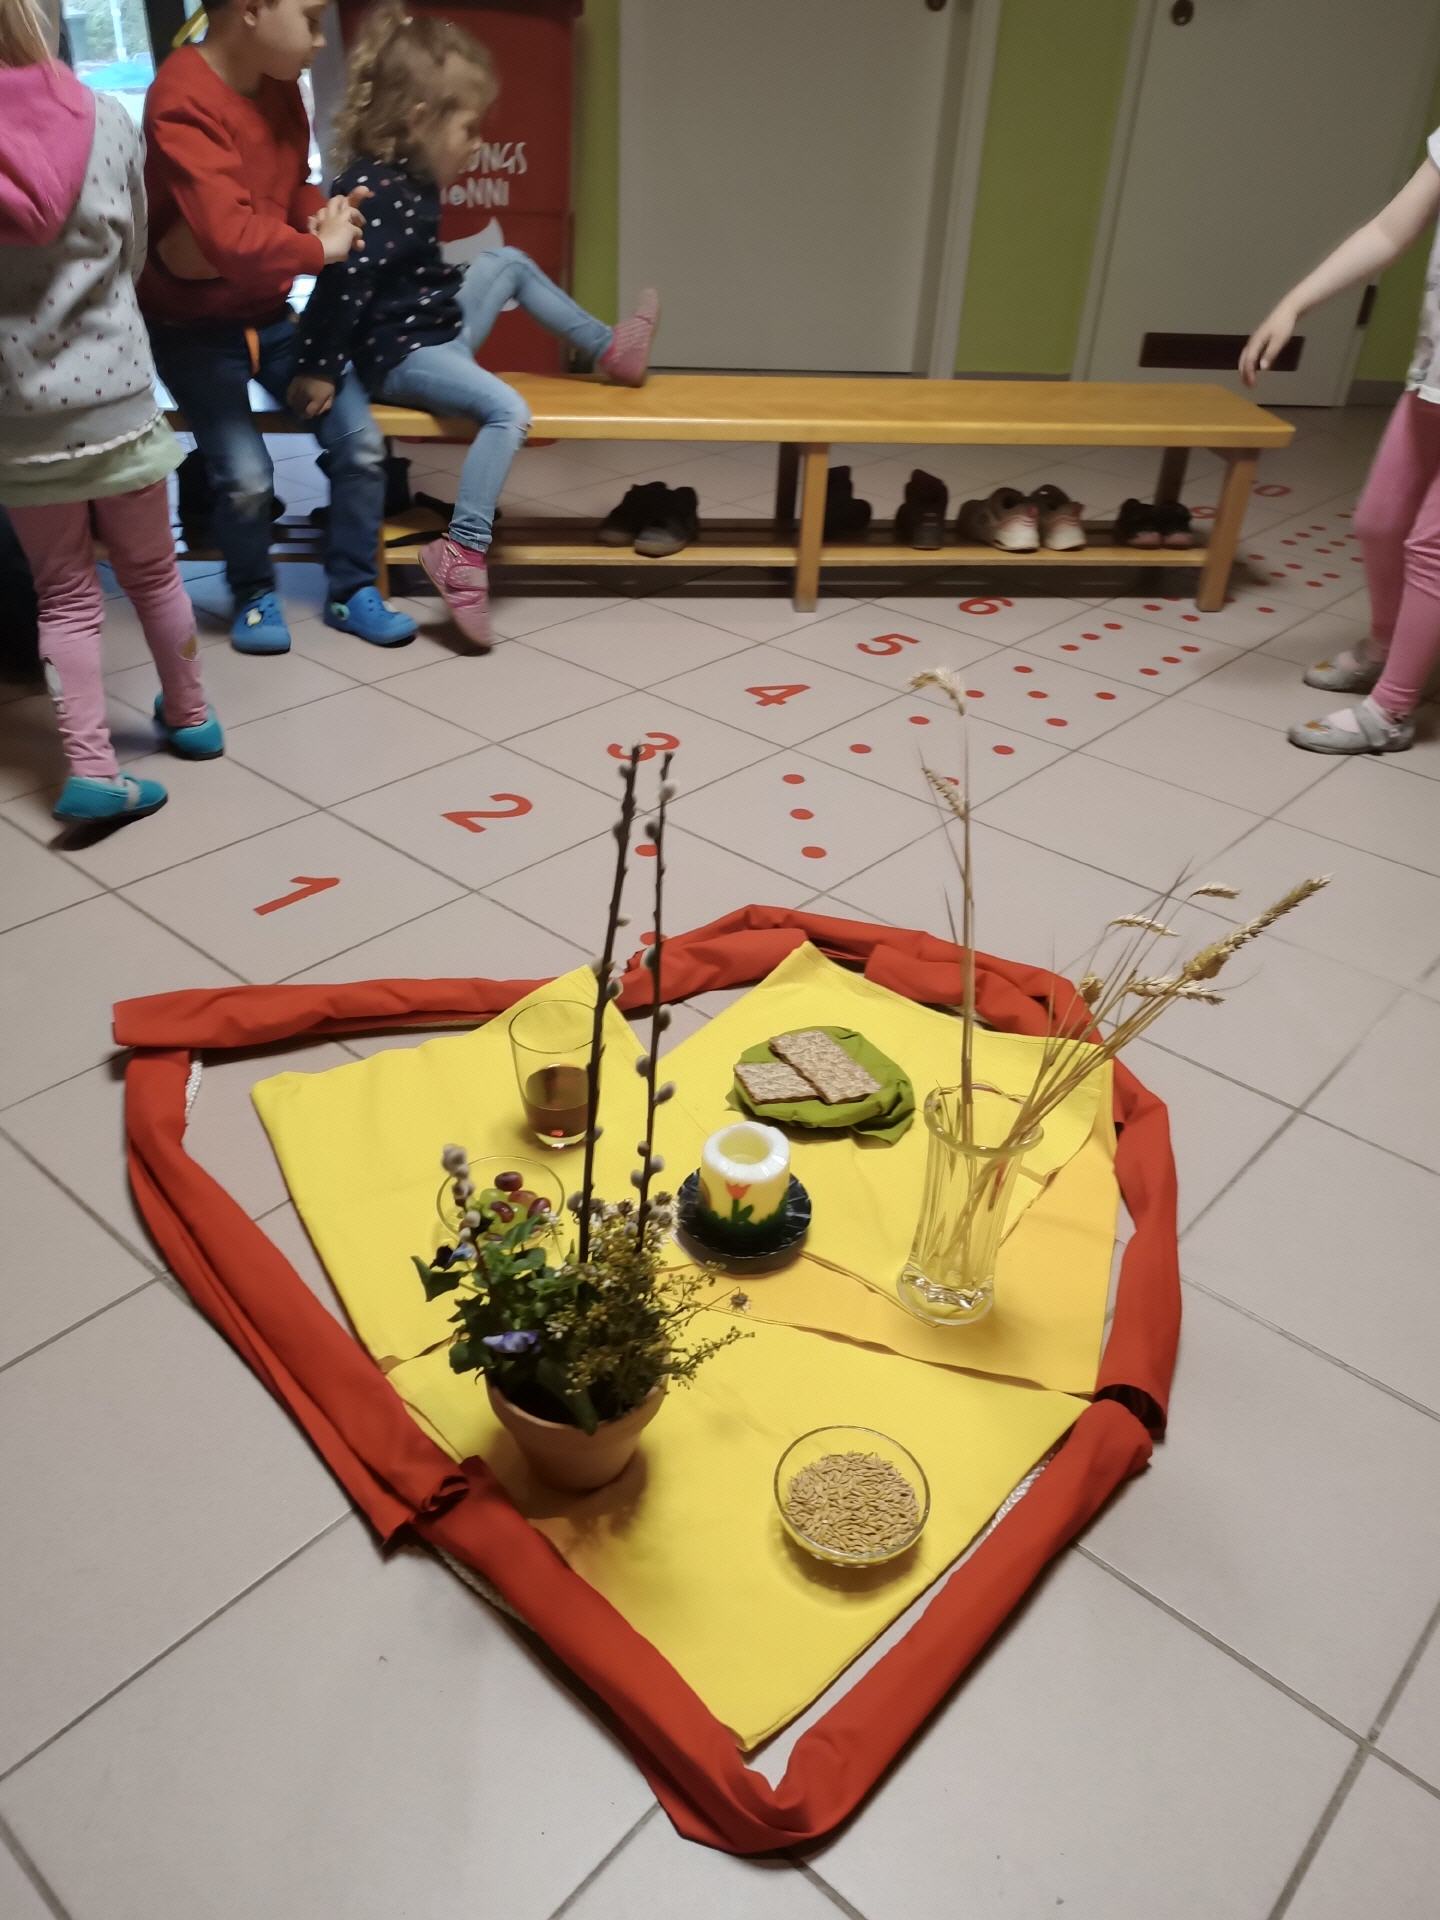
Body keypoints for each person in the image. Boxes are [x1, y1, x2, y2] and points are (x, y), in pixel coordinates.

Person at [289, 2, 658, 649]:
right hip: (403, 357)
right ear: (420, 121)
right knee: (508, 411)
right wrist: (318, 367)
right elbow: (340, 284)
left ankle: (609, 350)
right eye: (469, 128)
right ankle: (461, 551)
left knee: (508, 262)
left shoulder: (414, 178)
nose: (479, 143)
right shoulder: (373, 193)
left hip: (437, 330)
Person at [0, 0, 222, 826]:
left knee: (63, 596)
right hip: (119, 400)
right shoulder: (105, 116)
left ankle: (93, 768)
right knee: (155, 571)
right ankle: (191, 716)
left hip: (20, 418)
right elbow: (131, 251)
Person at [140, 0, 418, 654]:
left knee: (361, 446)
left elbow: (292, 185)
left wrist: (323, 213)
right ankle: (254, 593)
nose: (321, 41)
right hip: (191, 326)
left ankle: (352, 590)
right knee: (246, 476)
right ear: (252, 10)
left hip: (270, 314)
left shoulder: (279, 82)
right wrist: (318, 248)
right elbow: (229, 239)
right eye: (312, 19)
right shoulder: (179, 99)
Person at [1242, 142, 1440, 754]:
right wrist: (1295, 302)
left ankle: (1392, 710)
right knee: (1379, 521)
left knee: (1431, 549)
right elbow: (1388, 230)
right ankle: (1387, 646)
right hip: (1432, 383)